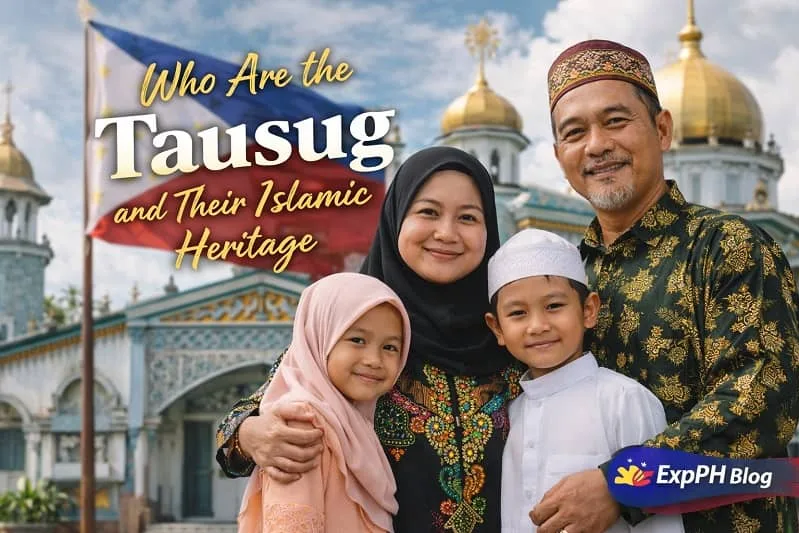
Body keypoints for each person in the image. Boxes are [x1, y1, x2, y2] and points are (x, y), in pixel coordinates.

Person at [528, 39, 799, 533]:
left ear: (661, 129)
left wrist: (624, 484)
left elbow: (763, 399)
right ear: (559, 155)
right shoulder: (568, 274)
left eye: (615, 121)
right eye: (575, 132)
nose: (596, 145)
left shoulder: (725, 246)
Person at [218, 146, 522, 533]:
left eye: (468, 217)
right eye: (428, 212)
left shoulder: (513, 335)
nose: (446, 233)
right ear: (396, 219)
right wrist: (250, 435)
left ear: (488, 229)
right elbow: (237, 428)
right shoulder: (353, 327)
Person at [484, 228, 684, 533]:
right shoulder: (509, 413)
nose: (537, 326)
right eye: (518, 313)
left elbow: (660, 521)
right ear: (497, 328)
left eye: (554, 306)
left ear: (588, 310)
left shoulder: (623, 400)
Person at [236, 272, 411, 532]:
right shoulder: (304, 424)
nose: (374, 360)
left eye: (390, 347)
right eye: (357, 340)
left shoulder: (354, 422)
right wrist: (244, 432)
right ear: (318, 338)